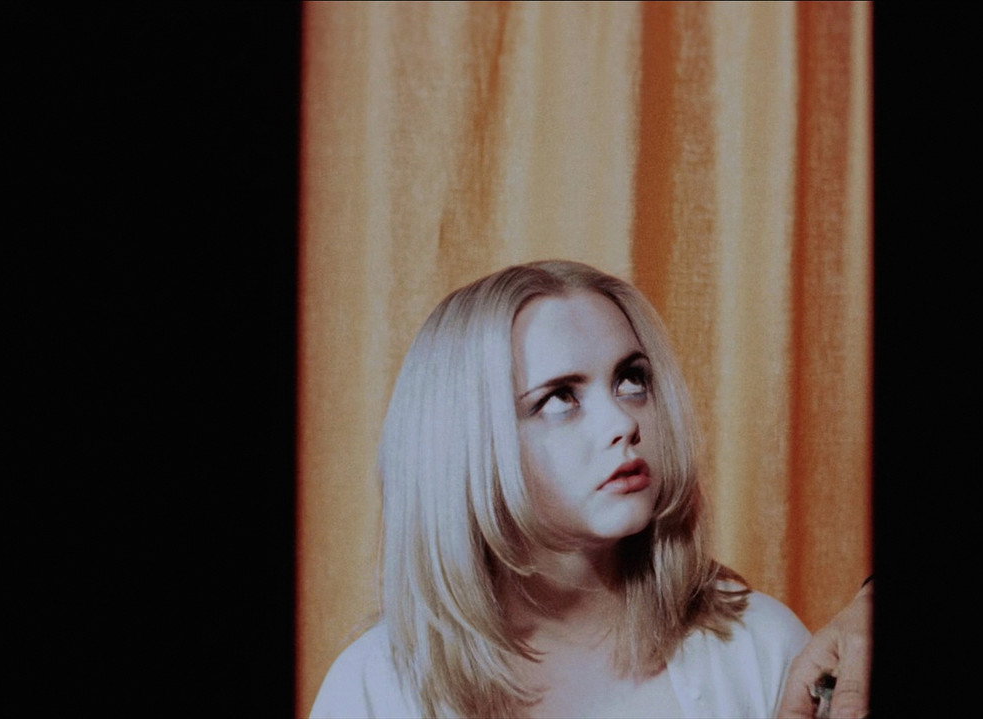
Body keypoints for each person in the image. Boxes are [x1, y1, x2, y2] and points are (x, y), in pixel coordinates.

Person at [310, 260, 871, 718]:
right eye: (560, 398)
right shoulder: (374, 688)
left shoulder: (758, 647)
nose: (623, 423)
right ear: (465, 446)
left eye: (631, 380)